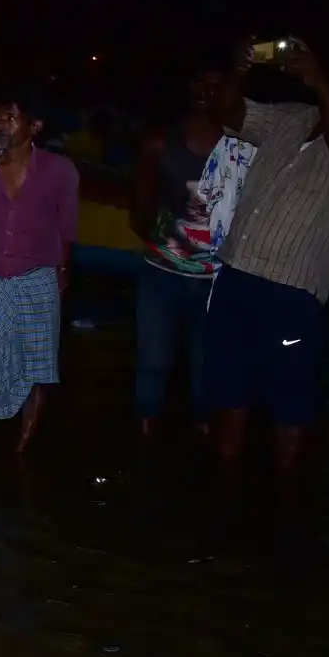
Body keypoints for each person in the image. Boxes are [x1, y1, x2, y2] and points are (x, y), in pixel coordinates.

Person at [207, 39, 329, 474]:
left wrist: (323, 87)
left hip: (293, 293)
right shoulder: (290, 116)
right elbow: (227, 114)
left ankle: (286, 498)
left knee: (290, 398)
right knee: (228, 388)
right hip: (236, 276)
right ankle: (225, 483)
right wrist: (239, 71)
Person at [0, 89, 78, 452]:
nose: (0, 123)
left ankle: (21, 452)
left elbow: (67, 228)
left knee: (39, 368)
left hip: (37, 277)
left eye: (11, 117)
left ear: (34, 126)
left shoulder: (59, 171)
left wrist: (62, 271)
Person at [129, 65, 227, 435]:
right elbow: (138, 205)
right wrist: (164, 244)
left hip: (217, 280)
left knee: (206, 365)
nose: (206, 90)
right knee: (152, 360)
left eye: (216, 83)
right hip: (161, 272)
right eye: (199, 81)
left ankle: (207, 441)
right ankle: (144, 437)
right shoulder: (160, 141)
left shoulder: (242, 148)